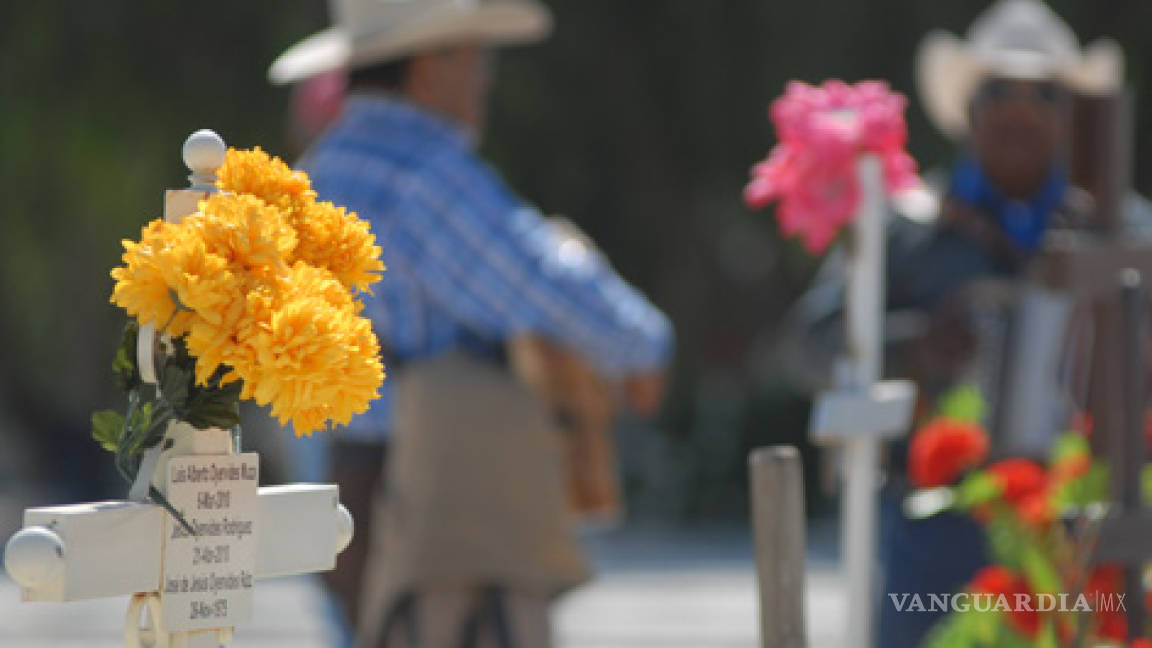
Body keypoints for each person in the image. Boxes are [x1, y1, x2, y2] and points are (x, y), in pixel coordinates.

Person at [267, 1, 674, 646]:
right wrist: (644, 348)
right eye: (477, 55)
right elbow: (544, 286)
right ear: (433, 66)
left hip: (350, 480)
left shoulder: (315, 174)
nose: (487, 77)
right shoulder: (426, 174)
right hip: (437, 493)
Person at [772, 1, 1130, 646]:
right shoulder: (905, 226)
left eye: (1044, 93)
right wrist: (912, 347)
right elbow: (805, 345)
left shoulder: (1122, 233)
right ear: (968, 109)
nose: (1019, 110)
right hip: (936, 530)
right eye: (998, 90)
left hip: (1080, 521)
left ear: (1070, 113)